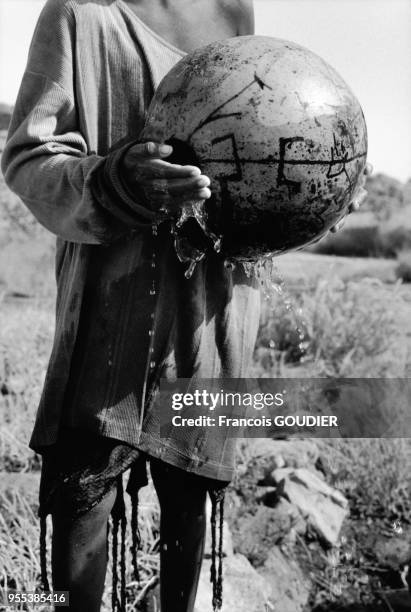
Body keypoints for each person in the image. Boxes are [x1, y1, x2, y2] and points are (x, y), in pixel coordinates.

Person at [1, 1, 369, 611]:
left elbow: (257, 132)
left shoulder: (234, 8)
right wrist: (114, 181)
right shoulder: (83, 13)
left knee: (187, 487)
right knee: (85, 486)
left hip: (218, 296)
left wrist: (316, 191)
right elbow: (29, 159)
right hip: (113, 291)